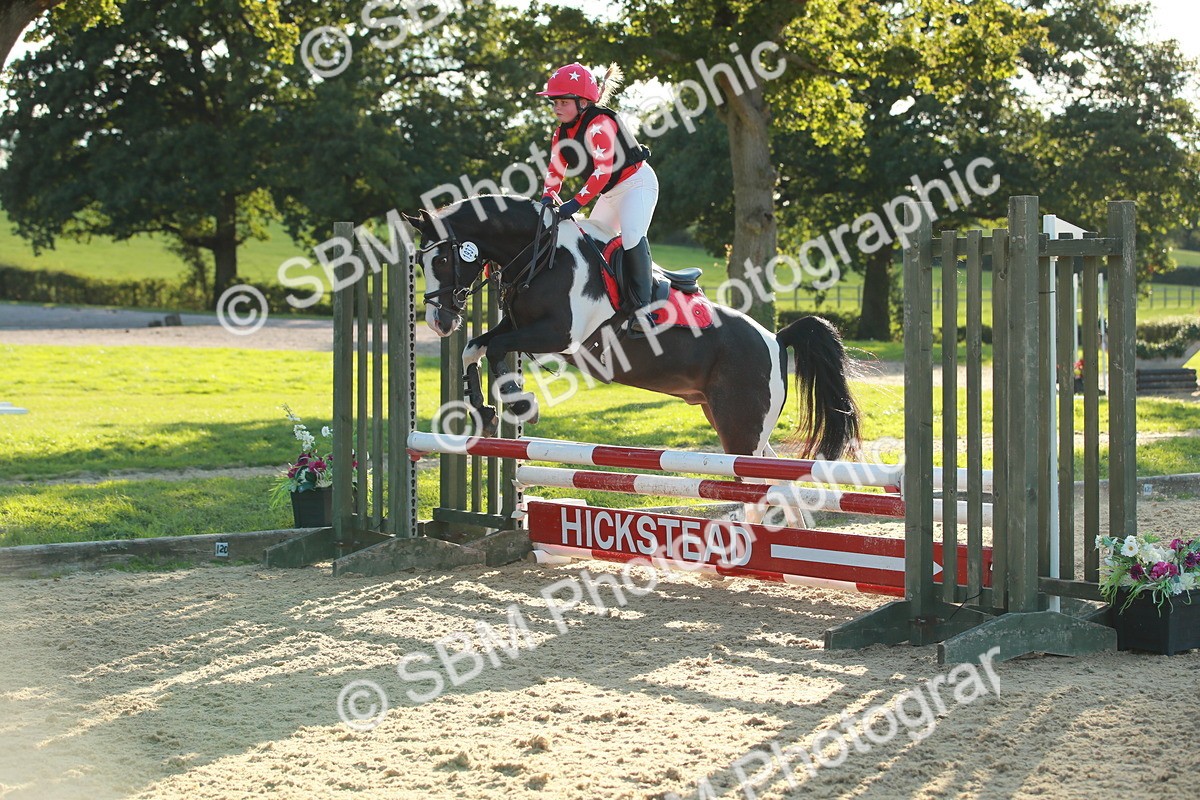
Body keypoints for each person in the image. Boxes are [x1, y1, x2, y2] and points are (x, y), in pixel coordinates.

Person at [537, 61, 659, 336]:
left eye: (563, 102)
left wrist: (574, 204)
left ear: (583, 102)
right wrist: (547, 198)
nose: (556, 107)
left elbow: (603, 172)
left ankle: (643, 310)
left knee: (630, 236)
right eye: (554, 102)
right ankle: (602, 305)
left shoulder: (599, 123)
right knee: (592, 245)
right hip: (610, 193)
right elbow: (556, 170)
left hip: (636, 184)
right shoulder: (561, 133)